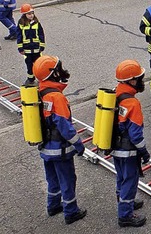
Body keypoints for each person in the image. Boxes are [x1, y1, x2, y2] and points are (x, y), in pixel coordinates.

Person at [32, 55, 87, 225]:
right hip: (60, 149)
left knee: (53, 178)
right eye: (58, 68)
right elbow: (65, 126)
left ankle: (53, 206)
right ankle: (71, 212)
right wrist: (79, 144)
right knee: (68, 179)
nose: (61, 71)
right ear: (52, 74)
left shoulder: (39, 92)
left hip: (46, 148)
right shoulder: (57, 97)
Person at [112, 60, 150, 227]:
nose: (141, 81)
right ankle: (125, 215)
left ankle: (124, 203)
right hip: (128, 151)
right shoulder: (132, 103)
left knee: (121, 178)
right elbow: (135, 135)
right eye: (140, 78)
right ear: (132, 81)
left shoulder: (115, 93)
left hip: (115, 146)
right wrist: (144, 151)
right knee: (130, 180)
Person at [16, 4, 45, 86]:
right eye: (29, 14)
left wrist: (42, 45)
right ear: (24, 15)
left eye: (32, 13)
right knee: (29, 65)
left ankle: (41, 78)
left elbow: (41, 34)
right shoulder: (21, 24)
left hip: (36, 48)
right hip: (27, 49)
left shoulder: (36, 23)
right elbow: (19, 36)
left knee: (39, 65)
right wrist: (20, 48)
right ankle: (30, 79)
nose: (31, 15)